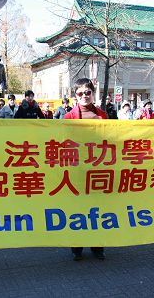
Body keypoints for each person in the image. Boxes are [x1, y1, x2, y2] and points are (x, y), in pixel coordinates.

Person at [64, 78, 107, 260]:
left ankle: (98, 247)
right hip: (77, 171)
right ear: (75, 95)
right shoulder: (68, 118)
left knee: (98, 210)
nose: (84, 96)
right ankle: (77, 248)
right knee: (78, 210)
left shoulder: (102, 115)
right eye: (80, 93)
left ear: (92, 93)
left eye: (87, 92)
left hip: (98, 170)